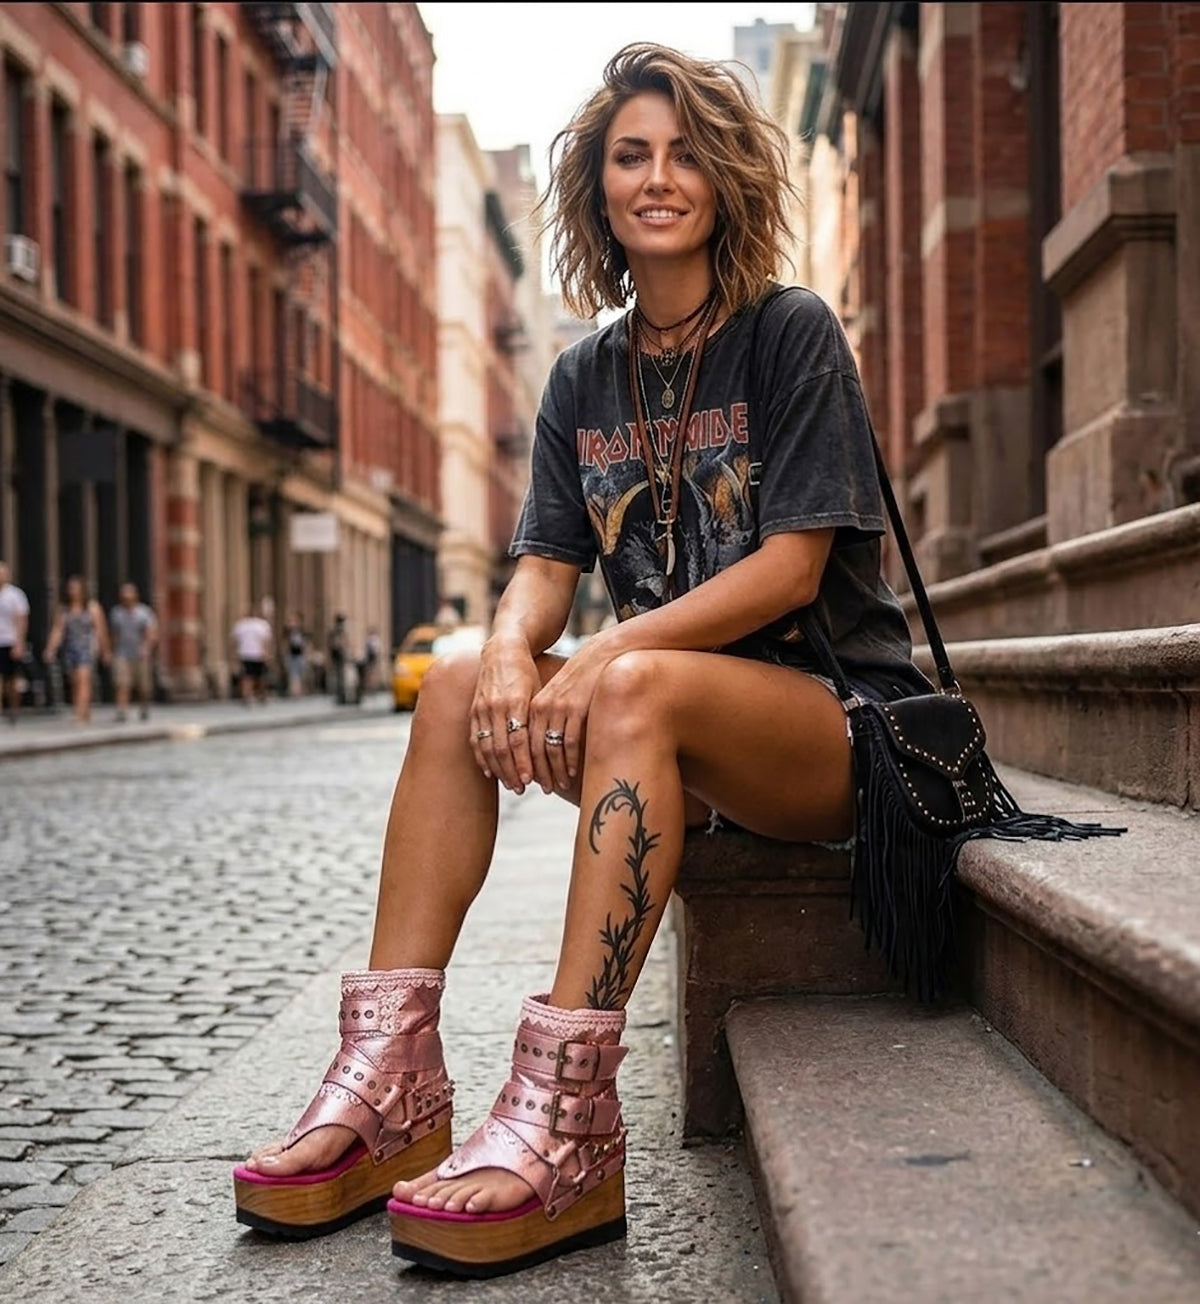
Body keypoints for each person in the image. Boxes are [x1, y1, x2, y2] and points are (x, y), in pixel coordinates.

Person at [234, 42, 934, 1275]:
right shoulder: (582, 374)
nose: (657, 178)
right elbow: (544, 567)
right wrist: (512, 649)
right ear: (597, 187)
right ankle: (391, 1079)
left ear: (724, 178)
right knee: (458, 675)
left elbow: (791, 570)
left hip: (833, 727)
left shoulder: (789, 332)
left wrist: (603, 651)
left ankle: (568, 1117)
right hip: (664, 730)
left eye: (685, 154)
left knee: (635, 681)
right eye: (630, 156)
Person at [43, 575, 109, 725]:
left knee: (83, 679)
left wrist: (105, 650)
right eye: (71, 588)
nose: (73, 591)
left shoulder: (92, 608)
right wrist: (51, 649)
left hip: (86, 648)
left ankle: (79, 714)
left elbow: (100, 630)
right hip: (70, 648)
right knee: (74, 682)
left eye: (76, 588)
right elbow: (58, 630)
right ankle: (84, 710)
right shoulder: (64, 610)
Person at [109, 583, 158, 722]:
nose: (126, 596)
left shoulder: (144, 613)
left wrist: (147, 647)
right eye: (124, 593)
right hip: (122, 653)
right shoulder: (117, 613)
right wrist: (111, 651)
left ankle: (144, 706)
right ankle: (121, 711)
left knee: (144, 686)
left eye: (129, 593)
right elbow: (114, 634)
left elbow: (151, 632)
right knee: (122, 683)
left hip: (140, 654)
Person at [0, 561, 30, 724]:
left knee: (11, 679)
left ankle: (13, 708)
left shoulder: (15, 595)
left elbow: (21, 619)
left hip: (10, 641)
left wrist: (19, 643)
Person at [231, 604, 274, 705]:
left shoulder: (240, 625)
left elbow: (234, 641)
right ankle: (261, 694)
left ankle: (247, 695)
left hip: (245, 654)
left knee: (247, 676)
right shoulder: (262, 624)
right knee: (260, 676)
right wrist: (267, 654)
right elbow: (266, 641)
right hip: (258, 654)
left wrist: (234, 655)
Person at [283, 613, 307, 697]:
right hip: (291, 655)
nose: (293, 623)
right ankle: (294, 691)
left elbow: (304, 644)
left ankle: (301, 691)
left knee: (301, 673)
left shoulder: (301, 631)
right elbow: (285, 644)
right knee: (293, 674)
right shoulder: (288, 632)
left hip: (300, 655)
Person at [327, 612, 348, 703]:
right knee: (340, 676)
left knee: (339, 675)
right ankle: (340, 695)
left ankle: (340, 695)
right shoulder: (338, 631)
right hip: (339, 655)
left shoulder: (334, 631)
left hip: (336, 655)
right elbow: (341, 643)